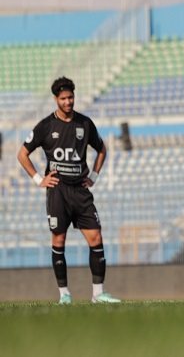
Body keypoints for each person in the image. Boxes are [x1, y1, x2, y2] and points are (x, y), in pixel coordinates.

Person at [17, 76, 120, 304]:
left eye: (70, 97)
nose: (68, 102)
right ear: (56, 99)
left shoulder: (84, 123)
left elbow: (102, 149)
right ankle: (64, 294)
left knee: (96, 237)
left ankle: (98, 294)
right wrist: (39, 179)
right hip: (58, 191)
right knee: (59, 239)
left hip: (81, 190)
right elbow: (22, 154)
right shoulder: (46, 126)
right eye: (63, 98)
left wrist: (94, 176)